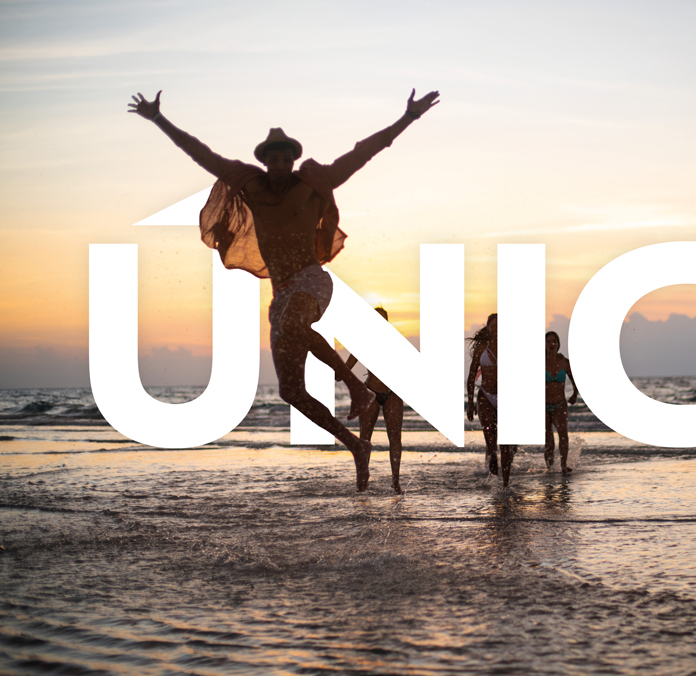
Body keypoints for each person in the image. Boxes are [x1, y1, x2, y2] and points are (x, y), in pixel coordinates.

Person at [128, 88, 439, 492]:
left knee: (295, 321)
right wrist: (158, 119)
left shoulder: (313, 182)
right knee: (290, 390)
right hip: (281, 294)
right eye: (271, 158)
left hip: (311, 280)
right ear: (264, 160)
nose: (277, 163)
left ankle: (355, 387)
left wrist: (408, 116)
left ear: (293, 159)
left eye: (284, 157)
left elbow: (365, 152)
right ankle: (355, 448)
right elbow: (201, 154)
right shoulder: (250, 185)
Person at [338, 306, 406, 494]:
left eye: (383, 319)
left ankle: (396, 482)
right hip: (371, 392)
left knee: (395, 439)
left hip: (393, 393)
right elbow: (345, 368)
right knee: (365, 438)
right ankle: (362, 479)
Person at [466, 314, 517, 487]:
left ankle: (506, 484)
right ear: (488, 328)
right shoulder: (482, 349)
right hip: (486, 396)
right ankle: (492, 456)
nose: (495, 329)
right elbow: (472, 376)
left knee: (506, 443)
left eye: (499, 326)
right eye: (492, 326)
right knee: (490, 438)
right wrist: (470, 403)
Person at [544, 331, 578, 473]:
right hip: (543, 406)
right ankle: (550, 468)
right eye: (549, 341)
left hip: (560, 405)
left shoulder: (564, 362)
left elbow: (576, 381)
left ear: (558, 344)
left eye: (554, 341)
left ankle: (563, 465)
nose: (552, 344)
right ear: (544, 344)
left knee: (563, 434)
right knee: (548, 440)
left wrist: (575, 394)